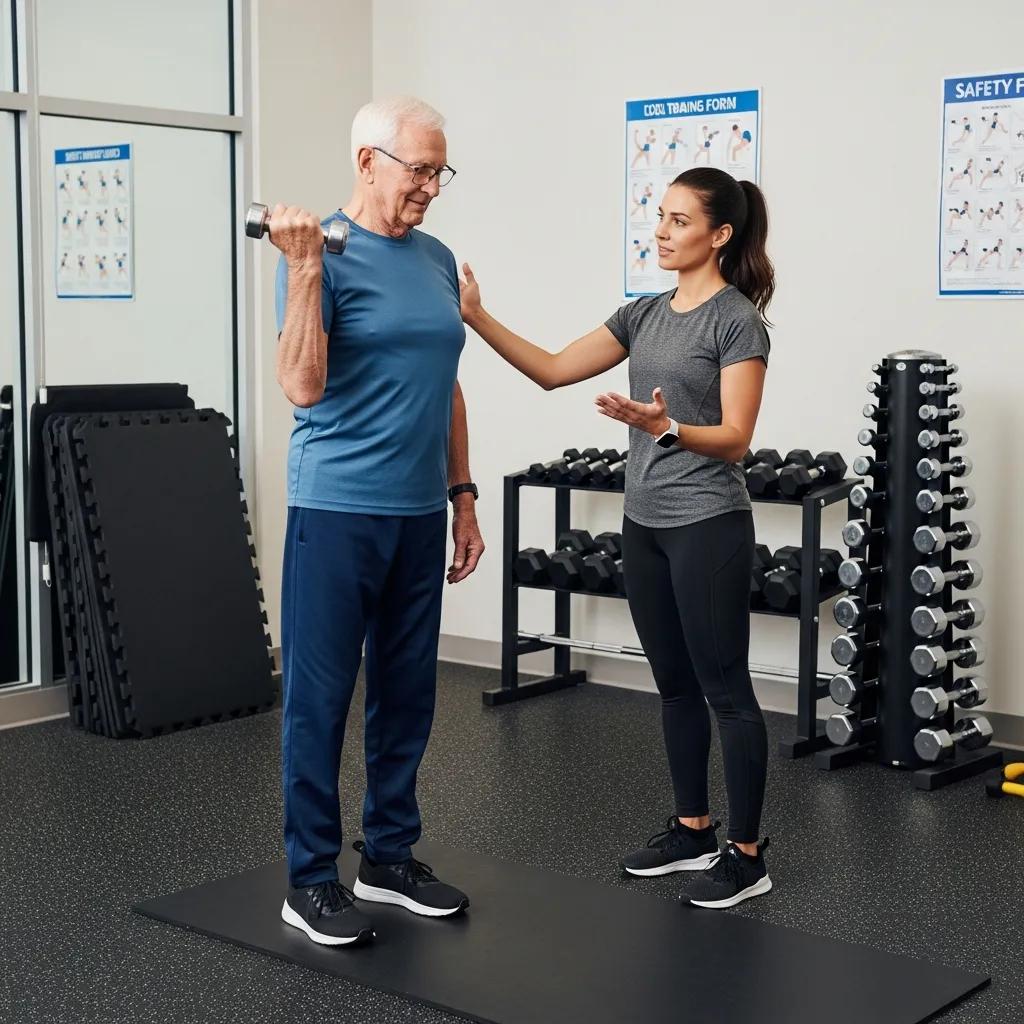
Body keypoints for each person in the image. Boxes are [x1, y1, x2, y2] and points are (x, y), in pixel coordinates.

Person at [460, 167, 774, 909]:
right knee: (673, 685)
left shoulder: (737, 322)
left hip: (708, 524)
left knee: (725, 690)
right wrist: (478, 315)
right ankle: (693, 829)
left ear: (719, 235)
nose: (661, 231)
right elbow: (551, 370)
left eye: (678, 220)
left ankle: (749, 854)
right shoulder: (642, 313)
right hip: (645, 524)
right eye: (658, 217)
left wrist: (663, 426)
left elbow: (735, 439)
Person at [270, 96, 483, 948]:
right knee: (319, 701)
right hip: (336, 506)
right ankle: (309, 877)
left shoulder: (435, 258)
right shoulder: (318, 250)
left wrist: (463, 495)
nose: (432, 186)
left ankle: (387, 857)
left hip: (417, 511)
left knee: (408, 694)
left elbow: (449, 382)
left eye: (441, 171)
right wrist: (307, 270)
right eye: (419, 169)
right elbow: (301, 385)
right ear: (368, 162)